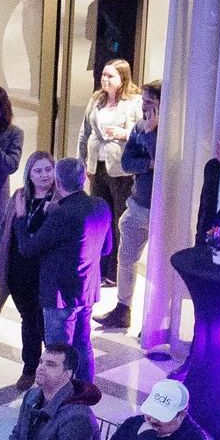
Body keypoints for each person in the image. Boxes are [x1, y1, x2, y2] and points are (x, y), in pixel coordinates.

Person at [17, 154, 113, 381]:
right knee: (83, 345)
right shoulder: (101, 205)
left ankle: (56, 403)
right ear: (84, 179)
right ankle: (86, 395)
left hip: (60, 296)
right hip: (88, 290)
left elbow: (28, 248)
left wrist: (21, 217)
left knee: (57, 355)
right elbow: (107, 249)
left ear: (58, 183)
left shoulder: (61, 213)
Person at [101, 82, 159, 332]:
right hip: (138, 206)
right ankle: (122, 309)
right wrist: (147, 165)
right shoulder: (139, 127)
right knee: (126, 259)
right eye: (144, 100)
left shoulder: (172, 131)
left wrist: (150, 133)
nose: (144, 106)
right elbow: (127, 162)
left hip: (161, 211)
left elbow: (163, 160)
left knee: (160, 266)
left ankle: (158, 319)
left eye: (149, 102)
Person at [0, 151, 60, 388]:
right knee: (28, 320)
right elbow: (7, 233)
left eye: (48, 169)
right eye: (38, 170)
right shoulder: (19, 197)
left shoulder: (58, 200)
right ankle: (30, 367)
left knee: (45, 324)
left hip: (44, 274)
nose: (44, 175)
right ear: (29, 174)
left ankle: (52, 370)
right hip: (19, 272)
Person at [78, 58, 141, 287]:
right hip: (98, 165)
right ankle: (98, 268)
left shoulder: (133, 102)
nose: (105, 79)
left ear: (123, 78)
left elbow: (143, 130)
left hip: (121, 170)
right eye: (103, 75)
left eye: (110, 76)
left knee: (118, 221)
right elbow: (85, 132)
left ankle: (114, 273)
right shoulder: (97, 99)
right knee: (98, 220)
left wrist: (124, 133)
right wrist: (82, 161)